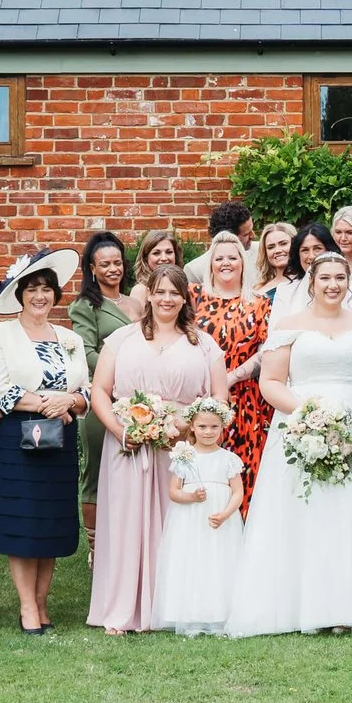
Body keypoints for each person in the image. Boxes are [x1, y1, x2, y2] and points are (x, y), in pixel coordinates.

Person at [226, 252, 352, 635]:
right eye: (325, 277)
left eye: (340, 278)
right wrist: (310, 414)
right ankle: (303, 605)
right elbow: (270, 384)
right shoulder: (288, 325)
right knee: (306, 512)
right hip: (301, 424)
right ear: (311, 281)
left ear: (349, 281)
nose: (333, 285)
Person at [89, 265, 224, 634]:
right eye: (160, 292)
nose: (166, 299)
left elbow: (218, 398)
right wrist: (121, 431)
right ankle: (122, 609)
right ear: (148, 295)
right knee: (124, 525)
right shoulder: (122, 338)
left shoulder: (204, 344)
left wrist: (184, 426)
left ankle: (173, 607)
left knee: (177, 526)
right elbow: (99, 390)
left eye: (174, 293)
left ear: (185, 298)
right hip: (128, 447)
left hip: (180, 450)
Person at [0, 249, 89, 636]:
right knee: (23, 523)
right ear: (19, 295)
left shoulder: (70, 338)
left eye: (46, 289)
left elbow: (87, 388)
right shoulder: (0, 333)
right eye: (31, 289)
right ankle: (27, 606)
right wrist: (51, 404)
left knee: (51, 523)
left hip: (60, 440)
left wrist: (72, 401)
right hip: (17, 440)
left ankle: (43, 603)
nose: (40, 296)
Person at [193, 231, 275, 507]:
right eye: (219, 258)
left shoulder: (259, 302)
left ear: (243, 262)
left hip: (246, 402)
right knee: (203, 475)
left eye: (233, 257)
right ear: (210, 264)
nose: (226, 263)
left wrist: (230, 378)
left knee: (244, 473)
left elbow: (267, 350)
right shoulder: (194, 299)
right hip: (200, 399)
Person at [156, 399, 247, 634]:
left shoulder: (228, 459)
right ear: (193, 427)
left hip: (220, 519)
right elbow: (174, 492)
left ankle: (221, 612)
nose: (208, 432)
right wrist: (192, 497)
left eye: (214, 427)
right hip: (191, 518)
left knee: (219, 561)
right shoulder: (185, 457)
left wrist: (226, 514)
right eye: (203, 427)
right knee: (193, 560)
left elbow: (238, 492)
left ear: (222, 427)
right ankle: (190, 613)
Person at [69, 230, 136, 541]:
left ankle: (126, 537)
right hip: (104, 398)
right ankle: (96, 546)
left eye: (117, 262)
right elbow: (86, 352)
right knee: (96, 474)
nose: (113, 269)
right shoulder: (86, 305)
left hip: (140, 400)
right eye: (105, 264)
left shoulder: (136, 302)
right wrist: (123, 374)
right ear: (92, 269)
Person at [183, 201, 254, 287]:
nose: (253, 236)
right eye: (246, 234)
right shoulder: (195, 270)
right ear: (229, 237)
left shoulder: (261, 252)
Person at [252, 222, 298, 304]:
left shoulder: (308, 280)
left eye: (283, 244)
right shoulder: (258, 289)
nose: (277, 250)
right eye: (271, 247)